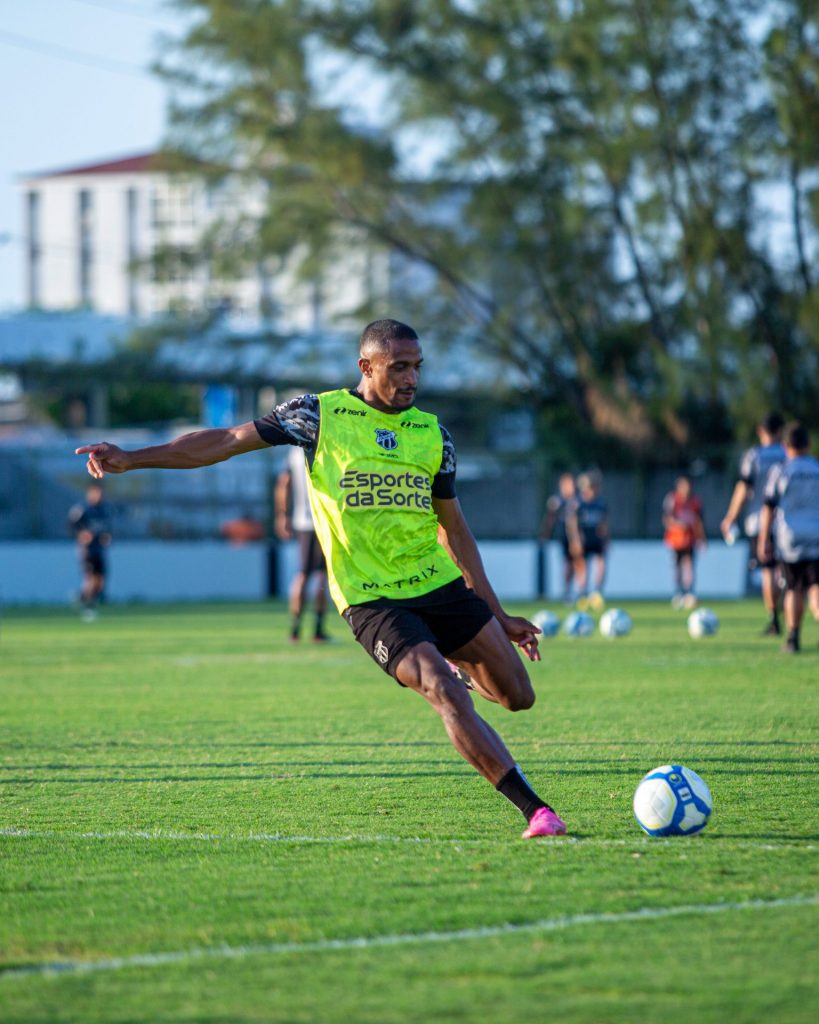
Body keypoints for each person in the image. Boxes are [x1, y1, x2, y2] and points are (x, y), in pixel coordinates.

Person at [75, 318, 566, 838]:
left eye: (417, 367)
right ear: (366, 366)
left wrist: (496, 612)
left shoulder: (432, 434)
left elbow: (456, 530)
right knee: (443, 690)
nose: (411, 378)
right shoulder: (317, 415)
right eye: (399, 367)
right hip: (371, 599)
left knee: (517, 696)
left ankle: (456, 661)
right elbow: (223, 440)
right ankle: (536, 810)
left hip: (437, 582)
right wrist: (133, 458)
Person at [721, 411, 786, 635]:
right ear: (781, 431)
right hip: (789, 524)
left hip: (759, 522)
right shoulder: (789, 455)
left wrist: (730, 516)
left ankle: (774, 619)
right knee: (785, 571)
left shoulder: (754, 456)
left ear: (760, 431)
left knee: (768, 571)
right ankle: (788, 599)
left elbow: (743, 488)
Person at [758, 423, 819, 654]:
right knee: (816, 586)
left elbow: (768, 507)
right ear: (809, 444)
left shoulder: (781, 471)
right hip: (816, 534)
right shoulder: (817, 468)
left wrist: (765, 538)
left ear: (786, 446)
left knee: (793, 587)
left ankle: (793, 638)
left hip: (790, 537)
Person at [274, 445, 331, 643]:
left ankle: (295, 629)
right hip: (325, 520)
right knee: (322, 574)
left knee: (303, 573)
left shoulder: (294, 451)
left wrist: (282, 515)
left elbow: (284, 482)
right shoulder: (328, 444)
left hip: (302, 520)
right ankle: (318, 629)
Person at [68, 482, 112, 621]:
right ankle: (88, 608)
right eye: (96, 492)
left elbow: (107, 527)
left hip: (99, 549)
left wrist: (107, 536)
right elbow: (71, 525)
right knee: (90, 578)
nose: (99, 495)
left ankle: (80, 596)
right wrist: (81, 534)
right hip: (87, 550)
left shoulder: (104, 510)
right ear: (90, 493)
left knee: (100, 580)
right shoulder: (83, 509)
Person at [567, 471, 608, 610]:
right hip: (583, 540)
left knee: (601, 564)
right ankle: (582, 593)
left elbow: (604, 522)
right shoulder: (578, 503)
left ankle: (596, 592)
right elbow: (572, 523)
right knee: (582, 567)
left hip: (596, 539)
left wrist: (607, 538)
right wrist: (575, 540)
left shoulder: (601, 503)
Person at [662, 476, 706, 609]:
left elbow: (699, 522)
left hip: (690, 540)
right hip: (675, 540)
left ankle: (689, 593)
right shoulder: (672, 500)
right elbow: (667, 519)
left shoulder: (695, 502)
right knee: (677, 567)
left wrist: (702, 539)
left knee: (690, 566)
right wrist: (679, 525)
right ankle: (678, 593)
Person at [537, 472, 577, 603]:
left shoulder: (577, 501)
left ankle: (583, 592)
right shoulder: (557, 501)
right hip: (564, 536)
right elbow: (550, 519)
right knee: (568, 564)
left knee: (578, 564)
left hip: (578, 537)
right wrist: (545, 534)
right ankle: (567, 591)